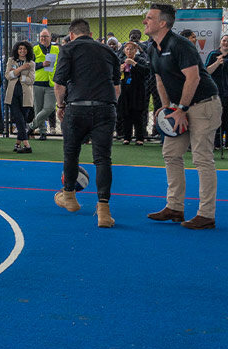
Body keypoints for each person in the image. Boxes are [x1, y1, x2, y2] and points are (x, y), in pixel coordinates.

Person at [143, 3, 220, 229]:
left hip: (204, 105)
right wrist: (167, 108)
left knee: (202, 158)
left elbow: (193, 79)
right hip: (179, 108)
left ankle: (206, 214)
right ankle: (174, 207)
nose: (144, 21)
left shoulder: (181, 45)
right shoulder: (151, 47)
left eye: (149, 18)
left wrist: (182, 109)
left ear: (163, 23)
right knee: (171, 154)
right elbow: (160, 80)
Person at [52, 18, 121, 227]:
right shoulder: (108, 51)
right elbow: (117, 87)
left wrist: (60, 106)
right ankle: (104, 211)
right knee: (103, 159)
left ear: (71, 34)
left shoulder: (68, 49)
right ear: (90, 34)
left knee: (71, 153)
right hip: (105, 107)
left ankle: (70, 198)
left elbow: (59, 84)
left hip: (77, 106)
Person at [4, 40, 35, 153]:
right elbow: (8, 75)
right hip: (13, 93)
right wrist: (21, 69)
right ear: (17, 50)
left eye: (24, 49)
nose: (22, 51)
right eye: (20, 49)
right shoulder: (11, 60)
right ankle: (27, 145)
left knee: (22, 118)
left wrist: (17, 74)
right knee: (18, 117)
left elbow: (31, 80)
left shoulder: (31, 63)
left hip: (26, 94)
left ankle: (17, 143)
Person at [117, 41, 151, 145]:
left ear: (135, 51)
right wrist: (120, 70)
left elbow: (146, 72)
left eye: (132, 49)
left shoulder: (140, 60)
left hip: (138, 91)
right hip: (125, 91)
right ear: (124, 51)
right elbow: (115, 75)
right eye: (127, 49)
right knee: (126, 114)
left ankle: (139, 137)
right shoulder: (121, 61)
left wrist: (134, 64)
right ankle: (126, 137)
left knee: (138, 114)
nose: (129, 51)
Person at [31, 28, 61, 139]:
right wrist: (41, 64)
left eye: (46, 36)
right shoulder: (35, 49)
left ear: (50, 38)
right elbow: (30, 65)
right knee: (38, 109)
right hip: (38, 82)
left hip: (51, 83)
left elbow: (60, 63)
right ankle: (43, 132)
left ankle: (31, 126)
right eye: (42, 37)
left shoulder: (56, 49)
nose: (43, 38)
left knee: (49, 108)